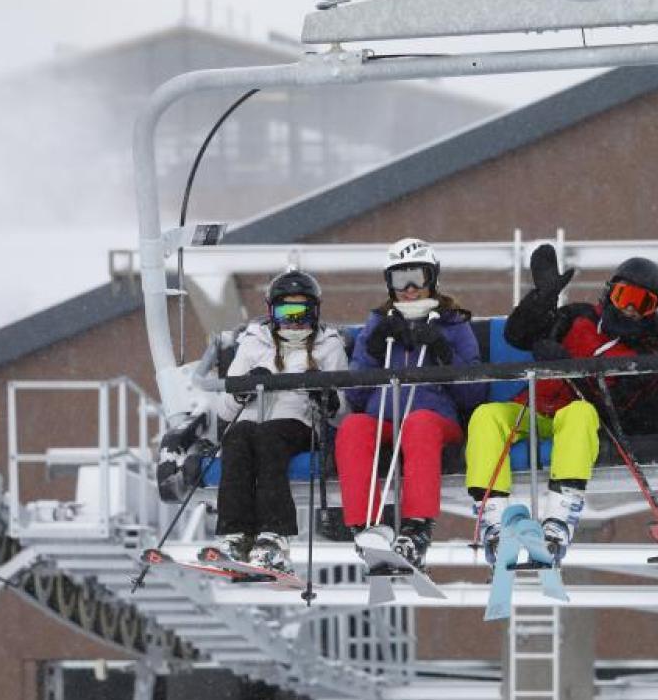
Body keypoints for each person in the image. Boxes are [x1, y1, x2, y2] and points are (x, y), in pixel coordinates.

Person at [465, 244, 658, 565]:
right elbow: (518, 335)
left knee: (580, 414)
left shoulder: (644, 354)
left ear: (651, 311)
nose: (629, 309)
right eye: (623, 296)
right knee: (487, 416)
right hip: (533, 407)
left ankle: (558, 521)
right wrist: (543, 298)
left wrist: (571, 366)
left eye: (641, 304)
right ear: (609, 292)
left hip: (579, 420)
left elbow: (623, 408)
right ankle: (494, 521)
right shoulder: (579, 316)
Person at [337, 238, 487, 569]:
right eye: (398, 279)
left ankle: (416, 527)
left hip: (434, 419)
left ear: (432, 277)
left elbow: (473, 396)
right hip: (384, 417)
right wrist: (373, 352)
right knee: (353, 427)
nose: (408, 289)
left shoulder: (453, 324)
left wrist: (444, 352)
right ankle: (366, 528)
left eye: (416, 277)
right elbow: (356, 396)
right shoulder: (378, 324)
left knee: (418, 423)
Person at [208, 270, 346, 574]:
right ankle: (235, 534)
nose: (295, 320)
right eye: (287, 311)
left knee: (269, 436)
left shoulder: (329, 345)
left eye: (303, 311)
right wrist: (242, 389)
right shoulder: (253, 342)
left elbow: (343, 411)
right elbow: (225, 410)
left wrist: (324, 395)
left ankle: (275, 534)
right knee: (237, 437)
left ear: (315, 311)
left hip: (299, 422)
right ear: (272, 311)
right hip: (249, 420)